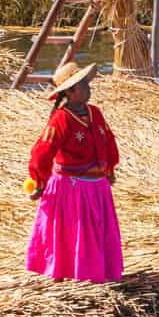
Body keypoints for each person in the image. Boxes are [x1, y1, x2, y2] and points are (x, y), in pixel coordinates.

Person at [26, 61, 123, 283]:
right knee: (73, 232)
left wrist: (109, 169)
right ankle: (66, 273)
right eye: (83, 85)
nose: (89, 88)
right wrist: (39, 182)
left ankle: (99, 273)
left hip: (97, 186)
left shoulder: (95, 113)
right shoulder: (61, 118)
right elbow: (42, 151)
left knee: (97, 231)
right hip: (72, 188)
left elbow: (108, 141)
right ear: (70, 91)